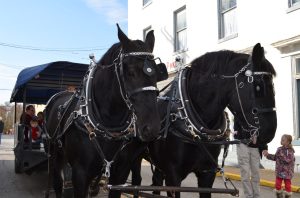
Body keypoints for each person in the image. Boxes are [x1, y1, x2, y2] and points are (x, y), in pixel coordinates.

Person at [234, 119, 267, 198]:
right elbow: (237, 122)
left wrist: (264, 147)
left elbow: (263, 129)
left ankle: (256, 195)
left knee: (256, 173)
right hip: (242, 143)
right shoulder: (241, 108)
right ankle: (249, 195)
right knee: (245, 172)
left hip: (256, 146)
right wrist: (236, 133)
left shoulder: (258, 110)